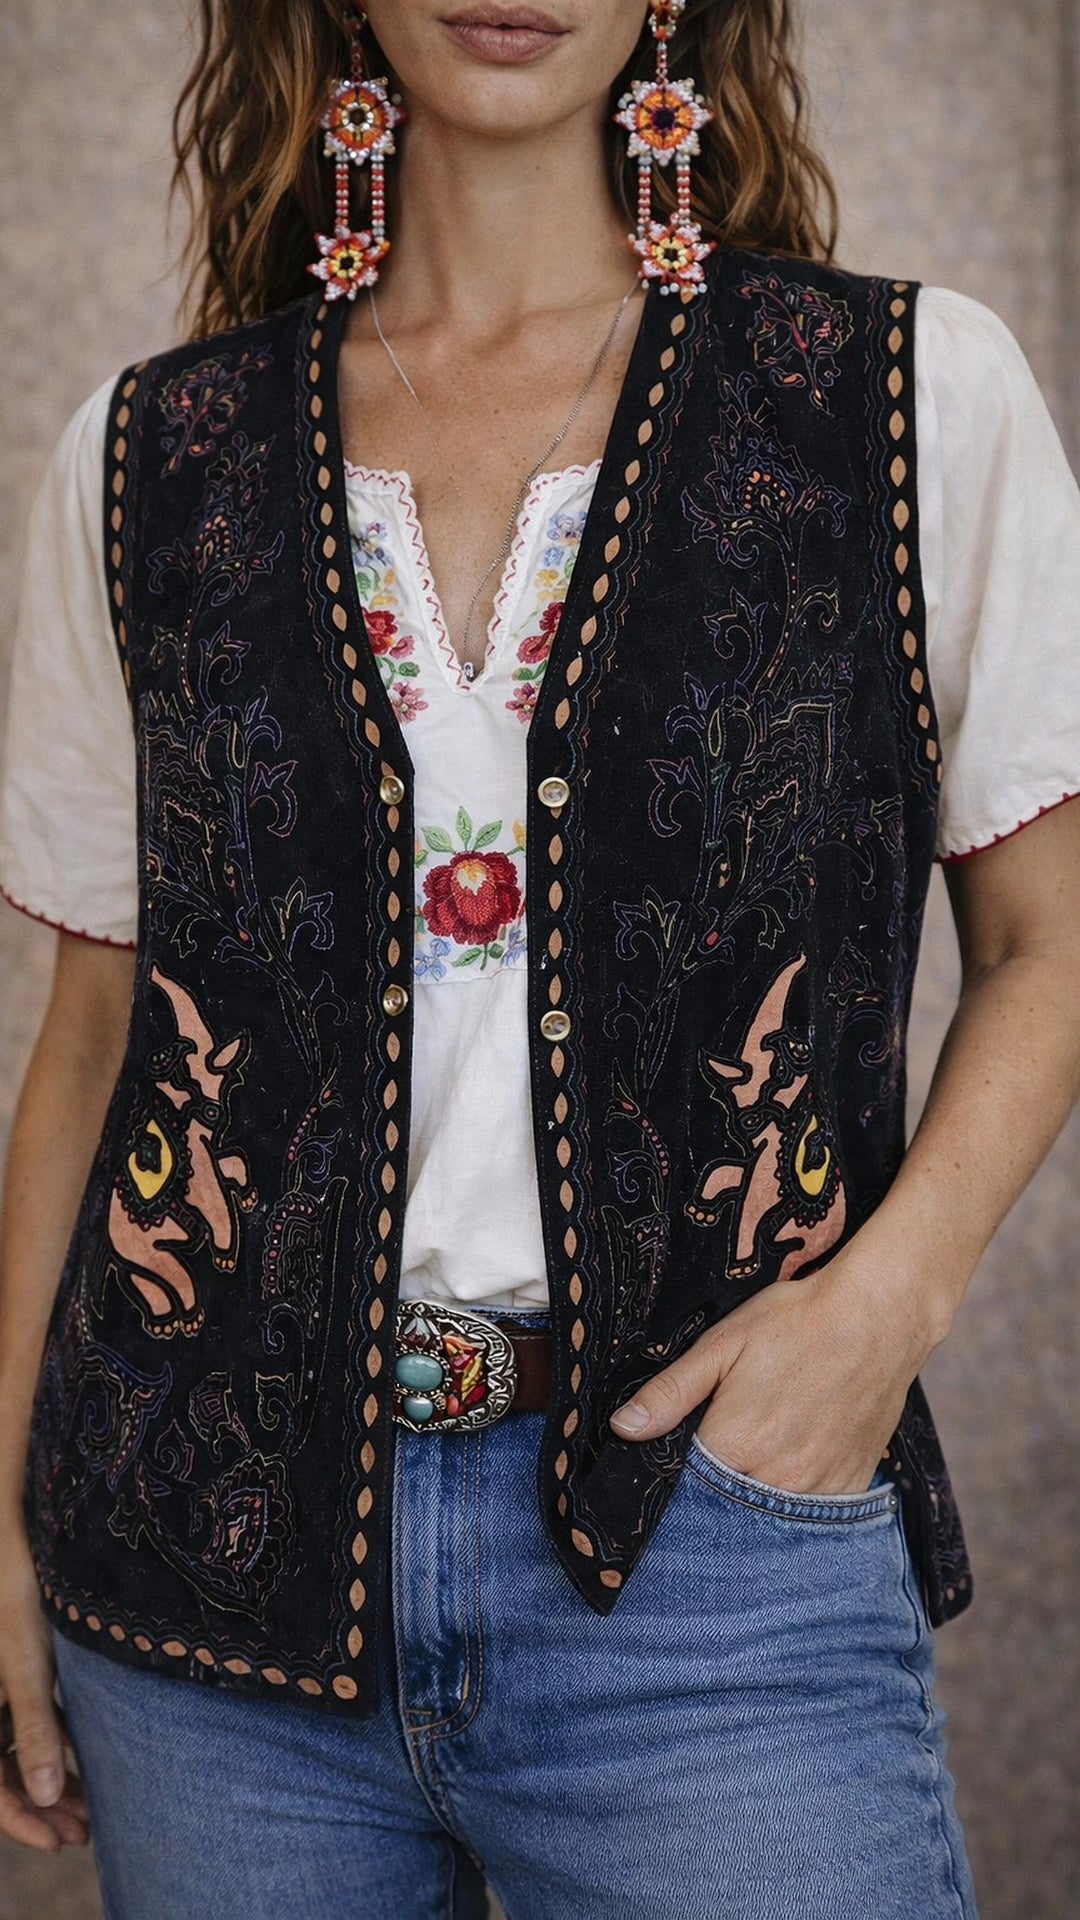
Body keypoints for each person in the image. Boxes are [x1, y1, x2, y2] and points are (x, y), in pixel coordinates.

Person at [1, 1, 1079, 1914]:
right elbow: (93, 1039)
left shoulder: (904, 398)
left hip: (708, 1553)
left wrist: (880, 1317)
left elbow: (1052, 939)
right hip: (199, 1587)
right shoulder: (145, 456)